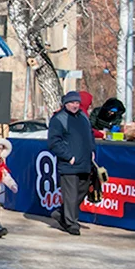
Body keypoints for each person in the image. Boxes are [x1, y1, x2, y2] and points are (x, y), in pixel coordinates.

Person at [48, 90, 96, 236]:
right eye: (72, 103)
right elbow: (54, 142)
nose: (75, 105)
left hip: (85, 162)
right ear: (65, 104)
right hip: (69, 164)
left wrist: (92, 151)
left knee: (82, 190)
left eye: (77, 103)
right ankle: (71, 223)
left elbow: (90, 135)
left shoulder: (83, 117)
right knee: (71, 194)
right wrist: (68, 157)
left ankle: (61, 213)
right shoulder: (59, 119)